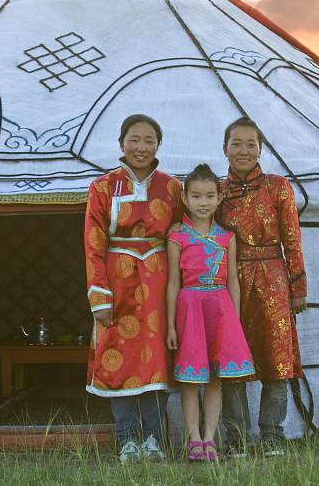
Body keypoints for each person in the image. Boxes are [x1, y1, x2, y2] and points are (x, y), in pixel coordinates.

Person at [84, 114, 185, 463]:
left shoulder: (173, 187)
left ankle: (155, 438)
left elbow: (183, 238)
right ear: (121, 143)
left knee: (158, 358)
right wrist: (100, 296)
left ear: (158, 144)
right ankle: (127, 437)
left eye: (149, 140)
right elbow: (93, 243)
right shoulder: (102, 187)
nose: (142, 147)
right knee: (119, 357)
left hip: (159, 280)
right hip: (117, 281)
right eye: (134, 139)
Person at [218, 116, 308, 458]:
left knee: (276, 358)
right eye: (236, 144)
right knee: (232, 358)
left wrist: (298, 286)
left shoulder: (277, 185)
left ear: (261, 148)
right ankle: (237, 437)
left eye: (251, 144)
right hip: (230, 282)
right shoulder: (216, 190)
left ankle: (272, 434)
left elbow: (292, 238)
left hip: (273, 279)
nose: (243, 151)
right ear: (224, 148)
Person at [165, 164, 255, 462]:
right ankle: (193, 439)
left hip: (220, 310)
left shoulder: (227, 238)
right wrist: (170, 327)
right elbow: (173, 283)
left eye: (209, 196)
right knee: (191, 379)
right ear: (185, 199)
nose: (202, 202)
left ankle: (209, 439)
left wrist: (236, 322)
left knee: (215, 378)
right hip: (190, 311)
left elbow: (232, 280)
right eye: (196, 196)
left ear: (219, 198)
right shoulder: (177, 238)